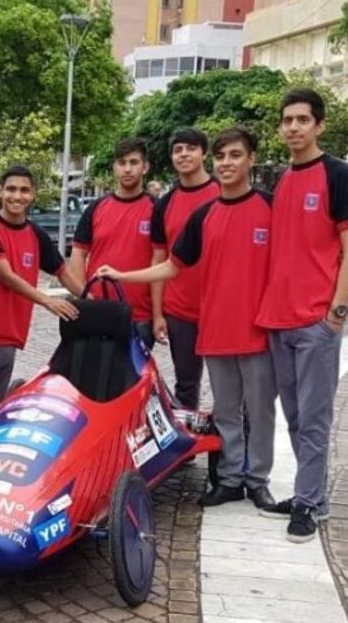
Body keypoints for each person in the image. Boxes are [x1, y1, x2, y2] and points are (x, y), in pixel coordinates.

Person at [99, 126, 277, 511]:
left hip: (259, 329)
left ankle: (258, 480)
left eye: (235, 156)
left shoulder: (269, 205)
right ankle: (229, 479)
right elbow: (171, 266)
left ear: (251, 160)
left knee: (259, 409)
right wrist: (124, 276)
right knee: (227, 410)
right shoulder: (205, 215)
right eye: (222, 156)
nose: (227, 163)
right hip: (215, 327)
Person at [256, 88, 348, 543]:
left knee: (315, 418)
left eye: (302, 120)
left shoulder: (339, 175)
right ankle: (310, 494)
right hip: (278, 320)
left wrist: (335, 313)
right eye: (287, 120)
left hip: (316, 320)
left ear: (319, 125)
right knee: (296, 417)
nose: (293, 128)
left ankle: (307, 503)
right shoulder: (282, 179)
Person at [0, 165, 81, 409]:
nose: (17, 196)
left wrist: (92, 297)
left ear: (32, 195)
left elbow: (63, 272)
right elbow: (6, 275)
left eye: (24, 190)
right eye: (11, 189)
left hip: (8, 334)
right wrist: (48, 301)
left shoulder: (37, 235)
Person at [150, 127, 221, 410]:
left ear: (204, 153)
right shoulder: (164, 204)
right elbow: (158, 259)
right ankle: (188, 450)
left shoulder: (223, 193)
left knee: (227, 386)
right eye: (178, 150)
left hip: (220, 309)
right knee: (186, 384)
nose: (184, 154)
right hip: (180, 310)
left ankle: (227, 449)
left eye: (191, 148)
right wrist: (158, 314)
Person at [69, 137, 160, 347]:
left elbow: (160, 262)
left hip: (139, 317)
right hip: (98, 312)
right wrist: (85, 296)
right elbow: (78, 253)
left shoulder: (157, 209)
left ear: (145, 167)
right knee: (94, 376)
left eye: (134, 162)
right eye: (122, 163)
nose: (127, 169)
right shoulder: (96, 208)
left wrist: (158, 314)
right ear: (114, 167)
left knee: (133, 379)